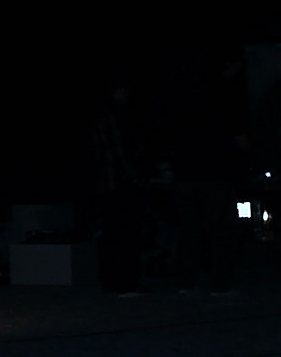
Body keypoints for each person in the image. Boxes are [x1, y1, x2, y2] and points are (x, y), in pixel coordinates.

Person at [164, 43, 252, 295]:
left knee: (190, 230)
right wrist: (249, 158)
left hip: (185, 173)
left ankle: (186, 281)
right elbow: (240, 137)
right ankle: (220, 283)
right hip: (215, 173)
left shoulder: (183, 94)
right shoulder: (225, 96)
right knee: (221, 230)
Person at [91, 75, 147, 296]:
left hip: (107, 185)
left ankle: (113, 281)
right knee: (123, 234)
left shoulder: (103, 116)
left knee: (111, 235)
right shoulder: (112, 117)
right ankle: (123, 282)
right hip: (118, 185)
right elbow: (117, 153)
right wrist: (135, 176)